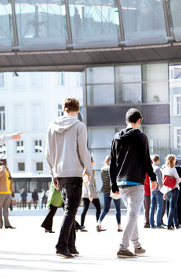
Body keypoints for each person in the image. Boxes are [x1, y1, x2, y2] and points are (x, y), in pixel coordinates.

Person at [45, 97, 93, 259]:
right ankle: (61, 246)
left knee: (68, 209)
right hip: (74, 173)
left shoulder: (52, 126)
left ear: (63, 109)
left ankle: (71, 246)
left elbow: (48, 154)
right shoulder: (79, 126)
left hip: (59, 173)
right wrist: (89, 170)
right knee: (71, 210)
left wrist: (53, 174)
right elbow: (83, 150)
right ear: (77, 110)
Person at [110, 108, 157, 258]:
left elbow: (112, 164)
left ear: (126, 121)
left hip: (121, 183)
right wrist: (153, 178)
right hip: (135, 182)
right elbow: (146, 159)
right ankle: (123, 247)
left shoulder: (116, 137)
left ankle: (136, 245)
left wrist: (113, 185)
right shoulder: (141, 136)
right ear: (138, 121)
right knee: (133, 214)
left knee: (133, 214)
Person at [98, 156, 122, 232]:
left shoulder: (102, 169)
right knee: (118, 209)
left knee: (105, 209)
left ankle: (99, 223)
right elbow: (114, 179)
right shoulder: (112, 168)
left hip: (105, 190)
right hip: (114, 190)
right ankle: (119, 226)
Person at [80, 157, 101, 232]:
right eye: (93, 161)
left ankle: (81, 226)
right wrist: (91, 195)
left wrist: (93, 178)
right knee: (98, 208)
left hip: (84, 193)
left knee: (84, 210)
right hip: (91, 193)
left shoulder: (84, 169)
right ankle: (98, 225)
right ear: (91, 161)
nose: (94, 162)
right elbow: (89, 183)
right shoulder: (91, 170)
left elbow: (86, 180)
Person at [0, 155, 15, 229]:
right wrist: (1, 166)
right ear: (0, 160)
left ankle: (7, 224)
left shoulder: (7, 168)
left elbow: (10, 180)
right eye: (3, 159)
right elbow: (0, 174)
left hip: (8, 192)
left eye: (5, 159)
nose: (5, 161)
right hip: (0, 192)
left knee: (6, 209)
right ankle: (0, 224)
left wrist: (12, 191)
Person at [162, 155, 181, 230]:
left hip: (167, 191)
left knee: (172, 207)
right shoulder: (173, 169)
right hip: (174, 189)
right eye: (174, 159)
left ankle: (176, 224)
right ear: (172, 160)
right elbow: (177, 179)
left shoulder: (164, 169)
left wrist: (164, 193)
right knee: (172, 207)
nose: (175, 160)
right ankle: (169, 225)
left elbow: (163, 181)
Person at [149, 155, 165, 228]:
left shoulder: (150, 167)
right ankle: (158, 223)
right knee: (159, 206)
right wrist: (162, 189)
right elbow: (159, 180)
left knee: (152, 207)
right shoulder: (158, 169)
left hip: (152, 189)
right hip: (158, 190)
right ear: (157, 160)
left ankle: (151, 223)